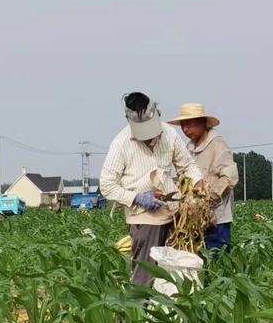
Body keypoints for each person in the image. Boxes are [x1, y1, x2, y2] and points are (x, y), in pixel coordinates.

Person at [100, 92, 205, 288]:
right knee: (145, 277)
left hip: (173, 216)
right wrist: (137, 197)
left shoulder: (169, 134)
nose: (151, 137)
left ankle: (172, 316)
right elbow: (106, 185)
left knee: (174, 277)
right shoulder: (121, 143)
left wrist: (198, 187)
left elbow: (188, 165)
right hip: (143, 219)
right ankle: (141, 313)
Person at [167, 103, 240, 258]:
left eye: (188, 124)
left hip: (217, 219)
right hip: (195, 220)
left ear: (202, 122)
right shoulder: (189, 148)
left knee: (216, 263)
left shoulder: (218, 145)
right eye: (182, 126)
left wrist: (205, 198)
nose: (185, 130)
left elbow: (230, 177)